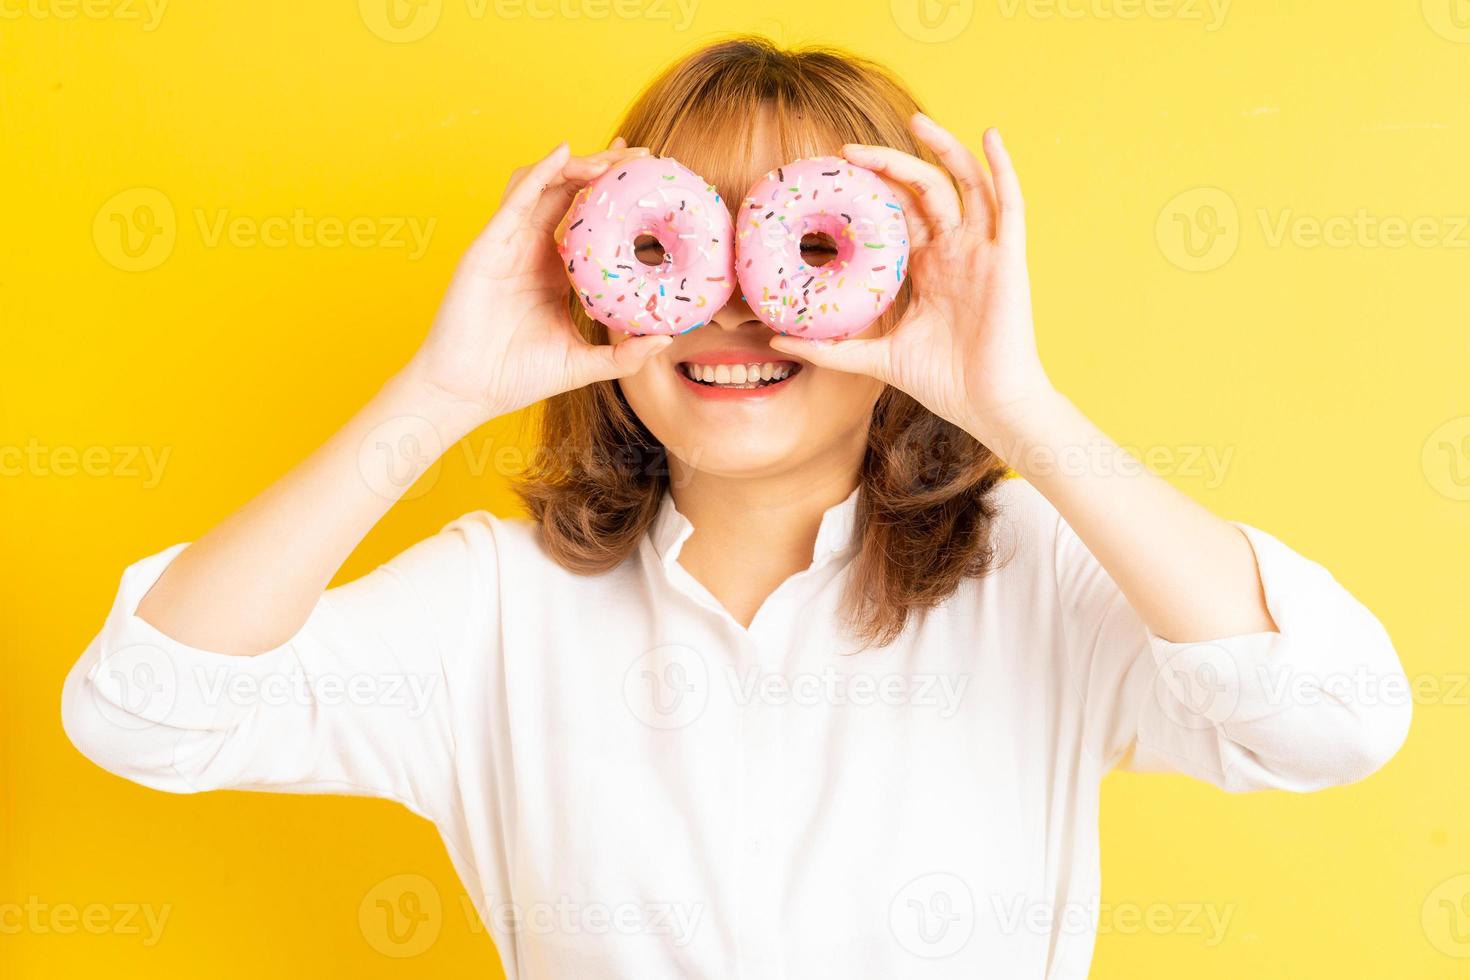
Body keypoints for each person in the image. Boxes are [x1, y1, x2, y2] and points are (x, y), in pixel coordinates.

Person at [61, 36, 1411, 979]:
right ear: (601, 270)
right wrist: (438, 389)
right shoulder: (495, 608)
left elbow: (1334, 722)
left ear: (902, 278)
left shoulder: (1043, 581)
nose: (731, 301)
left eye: (801, 245)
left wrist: (1014, 407)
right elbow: (142, 711)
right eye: (677, 238)